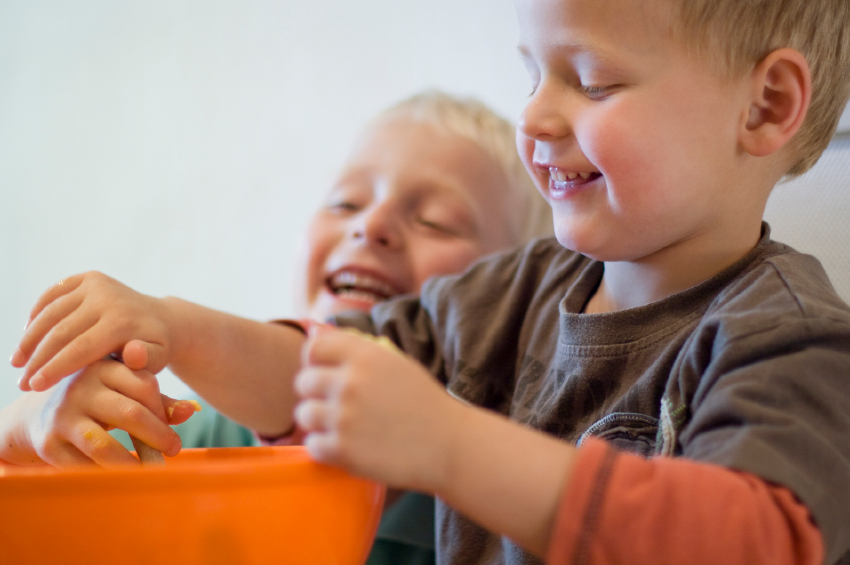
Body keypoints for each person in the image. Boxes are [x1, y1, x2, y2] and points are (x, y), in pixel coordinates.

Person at [8, 0, 850, 564]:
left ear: (766, 105)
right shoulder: (510, 293)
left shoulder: (789, 333)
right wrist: (176, 325)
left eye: (592, 79)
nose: (534, 116)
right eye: (532, 74)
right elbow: (320, 378)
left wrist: (450, 444)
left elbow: (763, 539)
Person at [0, 91, 553, 565]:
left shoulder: (499, 480)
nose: (371, 225)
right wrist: (29, 427)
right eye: (345, 202)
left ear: (504, 296)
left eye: (435, 220)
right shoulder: (199, 437)